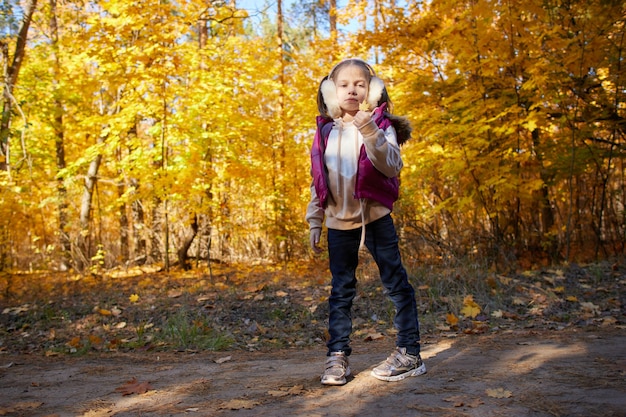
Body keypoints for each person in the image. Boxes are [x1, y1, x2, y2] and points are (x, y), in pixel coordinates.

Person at [306, 58, 426, 385]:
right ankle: (337, 358)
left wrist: (369, 128)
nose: (352, 90)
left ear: (371, 90)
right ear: (331, 92)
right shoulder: (325, 132)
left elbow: (391, 165)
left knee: (395, 283)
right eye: (344, 85)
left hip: (375, 218)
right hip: (338, 223)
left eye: (360, 84)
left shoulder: (379, 125)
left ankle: (409, 353)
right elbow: (319, 180)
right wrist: (315, 219)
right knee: (341, 290)